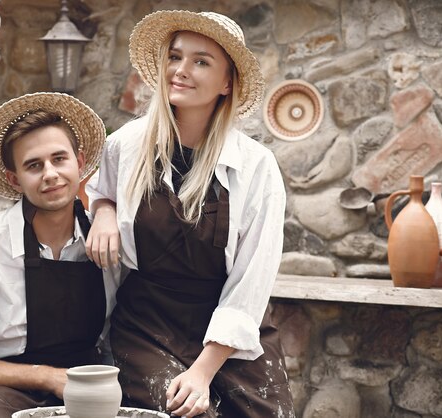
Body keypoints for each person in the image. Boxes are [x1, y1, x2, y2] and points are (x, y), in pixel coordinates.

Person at [85, 10, 295, 418]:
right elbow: (99, 190)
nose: (180, 71)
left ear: (227, 82)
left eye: (201, 61)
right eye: (175, 57)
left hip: (230, 327)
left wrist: (203, 370)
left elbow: (252, 280)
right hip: (147, 325)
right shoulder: (125, 145)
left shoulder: (256, 166)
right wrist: (104, 209)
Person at [0, 92, 120, 418]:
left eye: (59, 159)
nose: (50, 173)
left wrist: (107, 210)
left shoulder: (108, 238)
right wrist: (47, 377)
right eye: (34, 165)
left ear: (79, 162)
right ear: (14, 179)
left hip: (87, 381)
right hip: (4, 387)